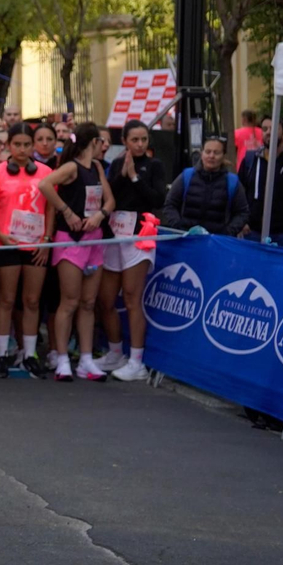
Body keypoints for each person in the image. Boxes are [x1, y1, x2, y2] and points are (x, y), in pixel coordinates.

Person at [40, 123, 116, 382]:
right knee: (69, 301)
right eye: (101, 142)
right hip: (70, 240)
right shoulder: (71, 167)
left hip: (94, 239)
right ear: (92, 142)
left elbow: (110, 200)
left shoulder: (96, 168)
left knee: (88, 302)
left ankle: (85, 359)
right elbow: (45, 184)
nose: (104, 146)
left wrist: (100, 215)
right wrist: (67, 212)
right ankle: (62, 358)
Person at [95, 120, 169, 383]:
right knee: (105, 299)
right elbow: (109, 197)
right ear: (124, 141)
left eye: (144, 139)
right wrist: (121, 176)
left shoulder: (155, 166)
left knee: (130, 298)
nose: (139, 144)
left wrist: (135, 177)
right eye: (134, 140)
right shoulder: (116, 164)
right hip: (114, 236)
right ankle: (115, 352)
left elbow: (157, 199)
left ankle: (136, 361)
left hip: (140, 237)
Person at [0, 123, 52, 379]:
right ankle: (3, 353)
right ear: (8, 145)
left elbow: (50, 207)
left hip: (36, 245)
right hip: (7, 243)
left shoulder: (47, 172)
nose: (23, 149)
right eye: (17, 144)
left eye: (28, 144)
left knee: (32, 301)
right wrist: (0, 234)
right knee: (6, 299)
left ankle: (29, 354)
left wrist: (47, 239)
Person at [161, 135, 251, 237]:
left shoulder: (232, 182)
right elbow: (170, 204)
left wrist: (228, 232)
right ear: (201, 153)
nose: (211, 156)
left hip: (217, 243)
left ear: (223, 155)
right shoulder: (186, 176)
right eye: (208, 152)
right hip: (186, 239)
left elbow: (242, 212)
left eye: (216, 153)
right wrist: (178, 227)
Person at [240, 118, 283, 244]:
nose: (268, 132)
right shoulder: (251, 160)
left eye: (274, 128)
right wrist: (242, 222)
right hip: (253, 234)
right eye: (264, 129)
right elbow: (239, 193)